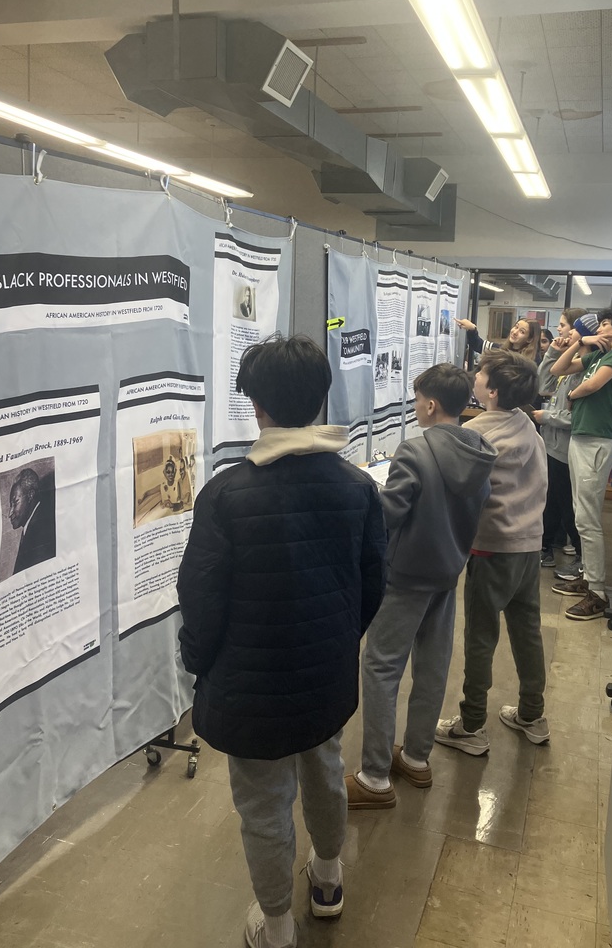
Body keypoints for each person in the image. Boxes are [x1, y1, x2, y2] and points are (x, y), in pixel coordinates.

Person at [177, 334, 387, 948]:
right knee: (325, 768)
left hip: (249, 684)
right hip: (325, 671)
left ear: (257, 406)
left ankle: (275, 928)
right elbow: (374, 581)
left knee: (264, 802)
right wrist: (339, 636)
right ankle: (327, 881)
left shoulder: (225, 494)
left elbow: (202, 598)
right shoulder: (356, 487)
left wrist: (200, 662)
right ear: (321, 398)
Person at [345, 364, 497, 809]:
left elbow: (389, 515)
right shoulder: (479, 451)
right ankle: (415, 757)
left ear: (430, 405)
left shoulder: (414, 451)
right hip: (447, 575)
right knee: (432, 667)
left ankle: (374, 777)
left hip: (405, 578)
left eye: (416, 400)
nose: (415, 407)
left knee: (381, 668)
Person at [435, 349, 550, 755]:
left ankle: (471, 725)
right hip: (528, 548)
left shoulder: (479, 433)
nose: (474, 377)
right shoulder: (526, 426)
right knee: (527, 631)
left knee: (481, 637)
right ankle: (532, 714)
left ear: (494, 391)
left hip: (491, 550)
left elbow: (461, 491)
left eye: (480, 374)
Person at [549, 305, 612, 620]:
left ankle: (598, 593)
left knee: (588, 519)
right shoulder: (599, 355)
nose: (600, 327)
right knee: (581, 515)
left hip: (596, 440)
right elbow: (557, 370)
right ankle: (588, 578)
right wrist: (580, 343)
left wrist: (573, 396)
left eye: (605, 323)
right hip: (580, 437)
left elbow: (593, 385)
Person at [534, 311, 599, 574]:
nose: (560, 331)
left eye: (565, 327)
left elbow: (579, 418)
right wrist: (552, 352)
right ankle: (546, 548)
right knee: (551, 501)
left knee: (568, 506)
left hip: (567, 448)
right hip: (552, 445)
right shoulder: (571, 362)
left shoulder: (589, 370)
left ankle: (583, 561)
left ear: (580, 334)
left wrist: (547, 417)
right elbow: (543, 384)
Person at [9, 467, 56, 575]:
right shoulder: (33, 526)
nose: (10, 513)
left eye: (15, 502)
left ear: (30, 495)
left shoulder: (42, 531)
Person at [454, 315, 541, 364]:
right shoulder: (500, 349)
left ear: (529, 339)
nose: (515, 332)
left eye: (522, 332)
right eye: (516, 327)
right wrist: (472, 329)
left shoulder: (532, 360)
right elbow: (478, 345)